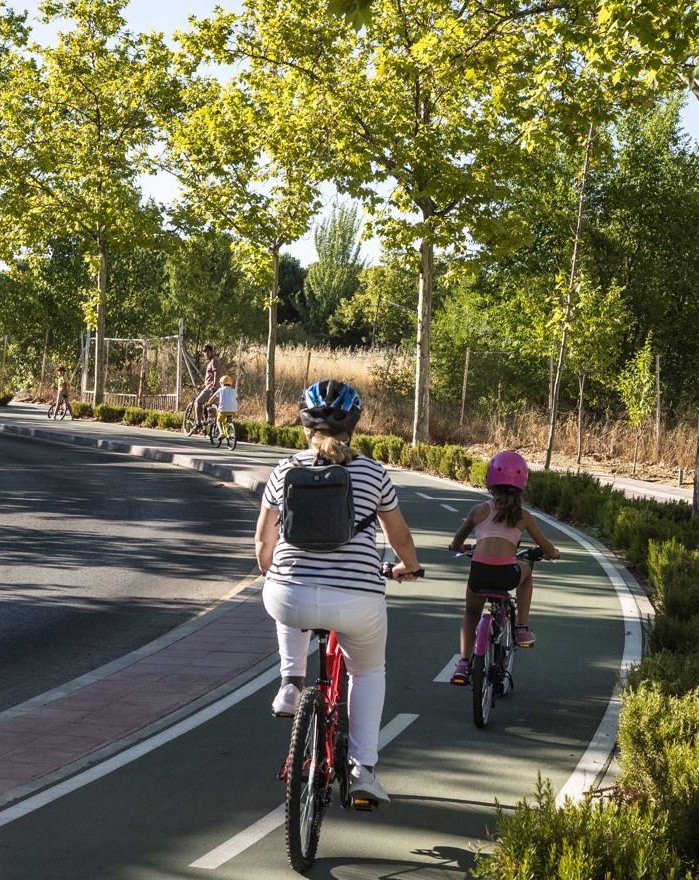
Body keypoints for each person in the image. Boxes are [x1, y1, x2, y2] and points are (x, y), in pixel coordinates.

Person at [255, 379, 422, 807]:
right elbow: (398, 535)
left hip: (288, 595)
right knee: (367, 672)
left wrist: (273, 572)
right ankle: (363, 770)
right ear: (354, 426)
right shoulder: (372, 472)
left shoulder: (284, 470)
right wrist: (409, 566)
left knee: (286, 599)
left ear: (303, 425)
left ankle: (290, 685)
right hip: (357, 600)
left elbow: (262, 543)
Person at [446, 451, 560, 685]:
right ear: (522, 485)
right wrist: (553, 554)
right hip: (507, 576)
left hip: (479, 574)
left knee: (470, 614)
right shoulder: (524, 517)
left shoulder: (478, 511)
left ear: (489, 483)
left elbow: (456, 542)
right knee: (526, 571)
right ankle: (522, 627)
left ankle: (464, 663)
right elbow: (546, 547)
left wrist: (459, 546)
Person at [190, 344, 221, 421]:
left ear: (211, 352)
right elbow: (210, 378)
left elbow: (217, 373)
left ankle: (198, 423)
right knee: (211, 407)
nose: (206, 354)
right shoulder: (212, 361)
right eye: (204, 352)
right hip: (213, 387)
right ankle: (211, 428)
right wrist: (202, 386)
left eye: (208, 352)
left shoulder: (214, 361)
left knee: (198, 402)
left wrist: (214, 386)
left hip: (211, 388)